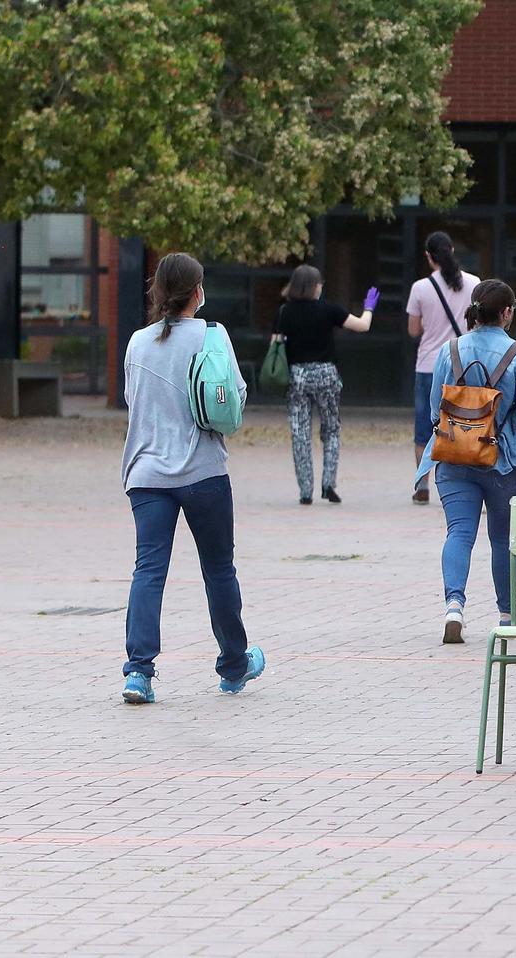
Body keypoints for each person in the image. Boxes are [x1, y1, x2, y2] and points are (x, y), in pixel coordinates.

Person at [117, 253, 266, 703]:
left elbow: (132, 401)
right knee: (219, 570)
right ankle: (234, 665)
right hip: (204, 472)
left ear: (158, 291)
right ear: (197, 292)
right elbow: (235, 401)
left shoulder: (137, 344)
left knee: (149, 570)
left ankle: (138, 672)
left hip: (146, 474)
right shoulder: (213, 337)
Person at [414, 280, 516, 644]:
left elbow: (436, 408)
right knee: (503, 539)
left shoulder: (450, 351)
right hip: (504, 460)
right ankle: (507, 617)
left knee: (459, 532)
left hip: (454, 456)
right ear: (507, 312)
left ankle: (454, 606)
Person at [274, 265, 373, 505]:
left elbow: (276, 343)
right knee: (331, 429)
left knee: (300, 432)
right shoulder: (329, 309)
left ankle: (305, 490)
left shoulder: (285, 311)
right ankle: (328, 484)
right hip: (326, 375)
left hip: (297, 376)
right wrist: (369, 307)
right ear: (314, 286)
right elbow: (362, 326)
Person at [406, 231, 482, 504]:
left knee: (425, 426)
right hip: (466, 362)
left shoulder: (420, 288)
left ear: (429, 257)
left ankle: (422, 485)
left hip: (428, 364)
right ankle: (471, 478)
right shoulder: (475, 283)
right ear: (451, 249)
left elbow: (414, 330)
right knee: (471, 422)